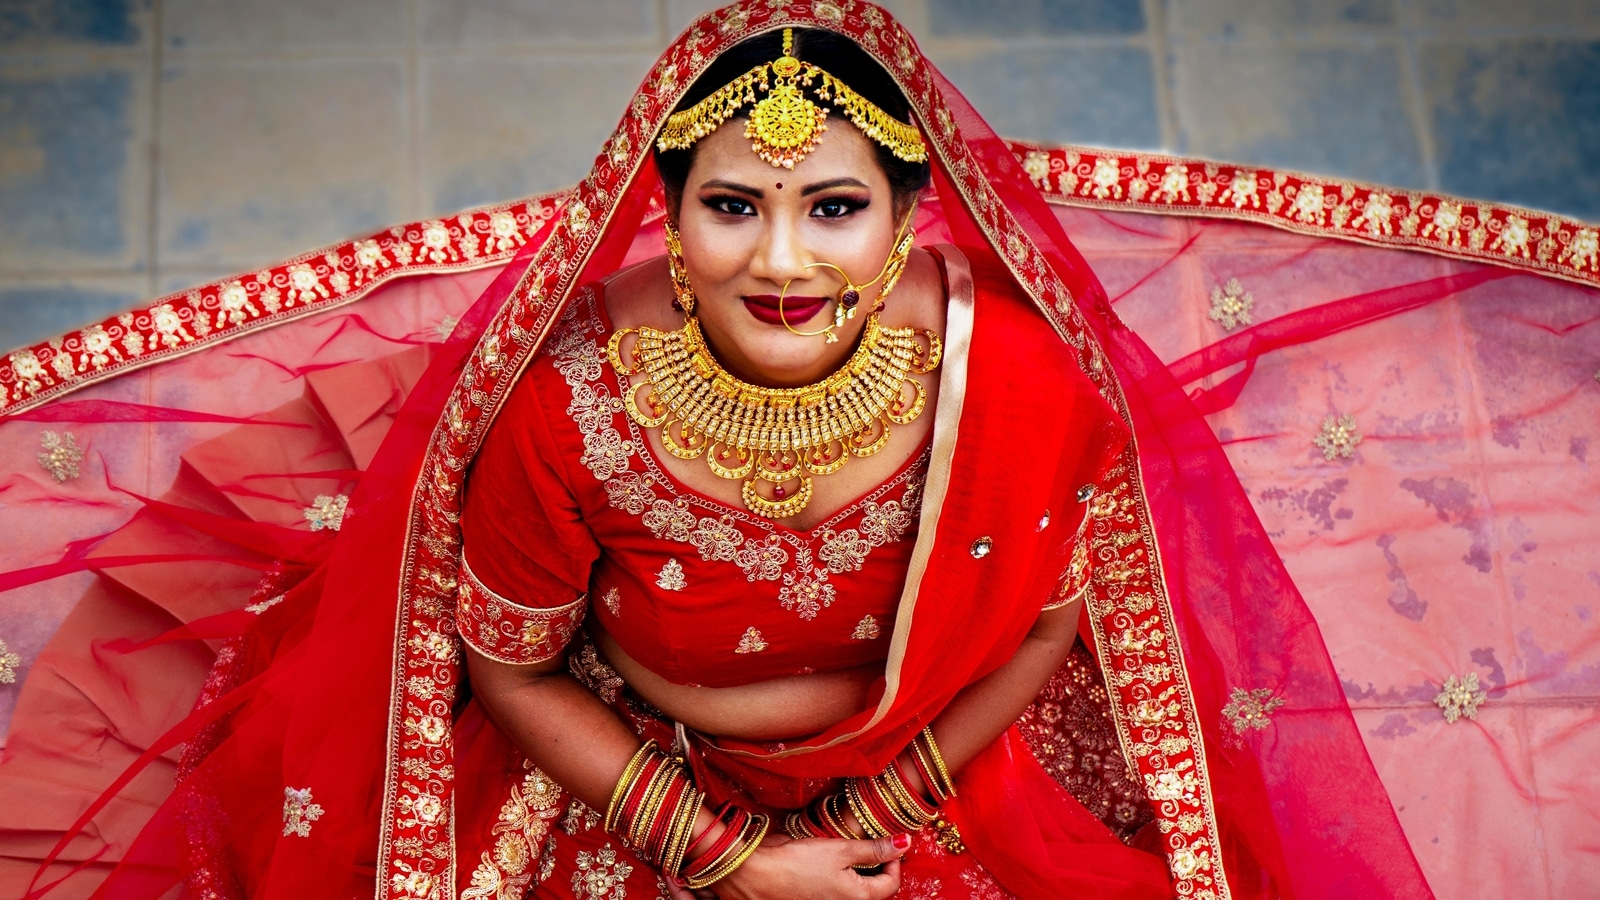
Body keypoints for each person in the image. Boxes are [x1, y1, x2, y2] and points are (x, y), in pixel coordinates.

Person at [5, 3, 1594, 898]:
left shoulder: (1012, 382)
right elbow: (513, 668)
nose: (784, 258)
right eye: (733, 204)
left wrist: (892, 801)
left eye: (836, 208)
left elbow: (1048, 616)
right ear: (670, 215)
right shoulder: (570, 408)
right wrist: (723, 859)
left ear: (910, 218)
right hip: (634, 789)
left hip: (933, 781)